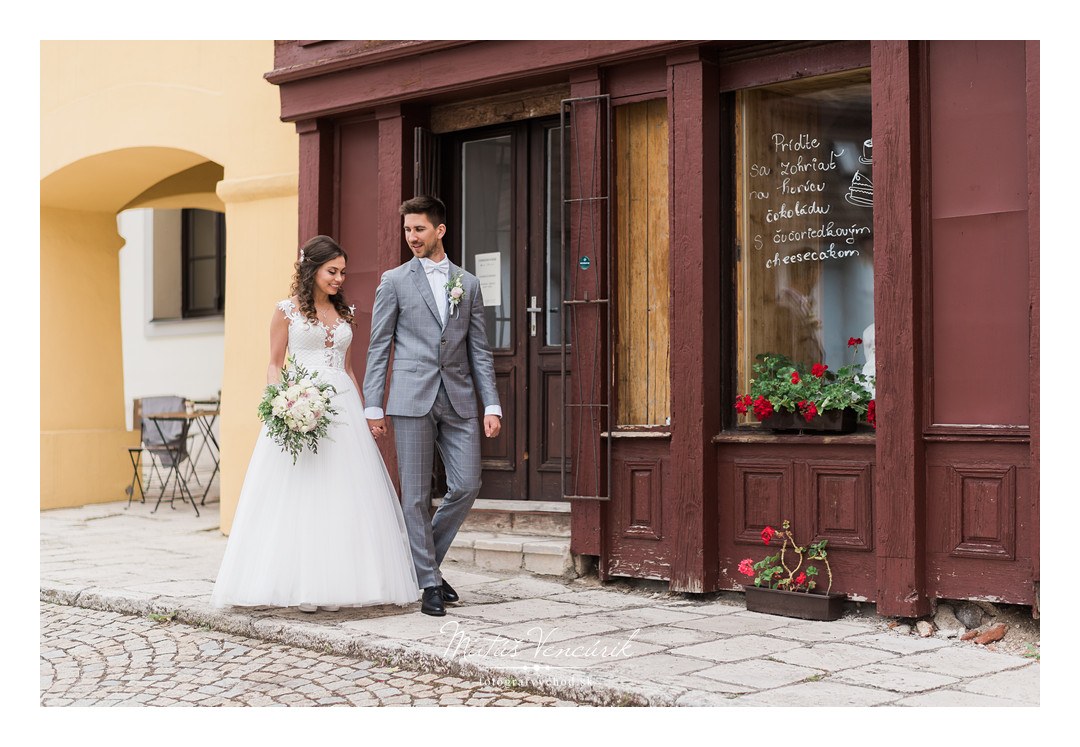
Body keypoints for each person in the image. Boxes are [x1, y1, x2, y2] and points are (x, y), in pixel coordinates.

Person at [211, 235, 419, 612]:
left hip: (343, 410)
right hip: (300, 403)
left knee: (346, 494)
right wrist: (282, 403)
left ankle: (346, 582)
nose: (339, 279)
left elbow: (349, 369)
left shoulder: (346, 314)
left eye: (343, 272)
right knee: (301, 492)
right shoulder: (285, 312)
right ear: (312, 269)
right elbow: (275, 364)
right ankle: (297, 583)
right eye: (332, 271)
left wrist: (365, 411)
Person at [364, 195, 502, 617]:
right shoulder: (394, 280)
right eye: (407, 230)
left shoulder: (469, 283)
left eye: (419, 229)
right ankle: (428, 583)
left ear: (439, 230)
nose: (412, 237)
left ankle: (420, 564)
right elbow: (379, 345)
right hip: (410, 397)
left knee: (466, 485)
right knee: (417, 495)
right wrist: (374, 404)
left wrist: (491, 404)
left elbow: (479, 350)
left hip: (459, 398)